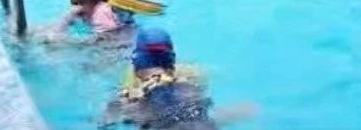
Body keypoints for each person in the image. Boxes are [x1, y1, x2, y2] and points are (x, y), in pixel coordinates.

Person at [100, 28, 255, 129]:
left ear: (136, 63)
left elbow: (105, 122)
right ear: (171, 62)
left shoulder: (129, 97)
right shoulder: (190, 86)